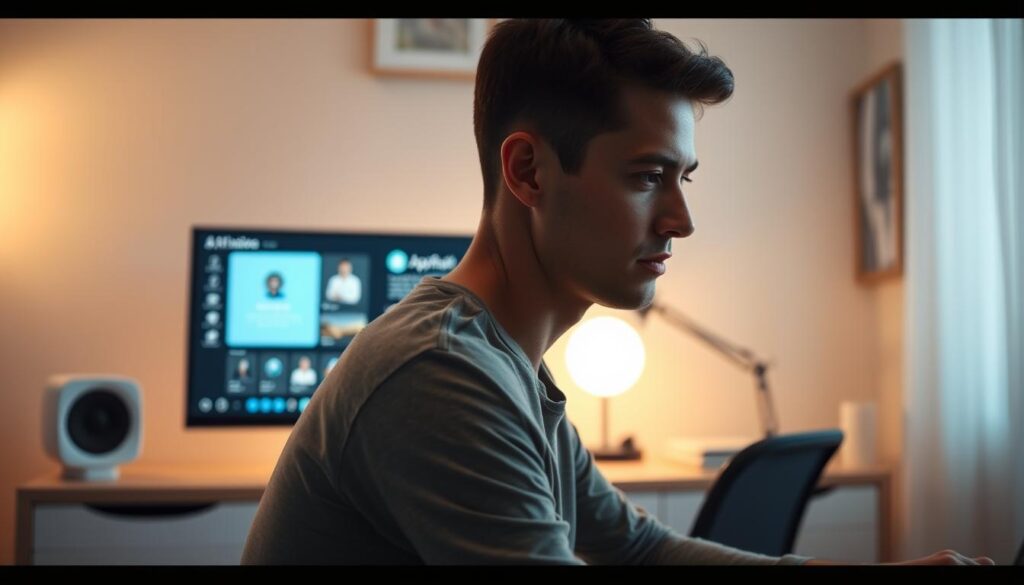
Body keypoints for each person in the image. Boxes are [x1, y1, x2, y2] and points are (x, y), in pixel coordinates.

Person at [242, 19, 993, 565]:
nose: (681, 220)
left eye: (684, 178)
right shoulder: (438, 374)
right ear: (529, 172)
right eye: (645, 178)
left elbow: (634, 548)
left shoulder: (504, 366)